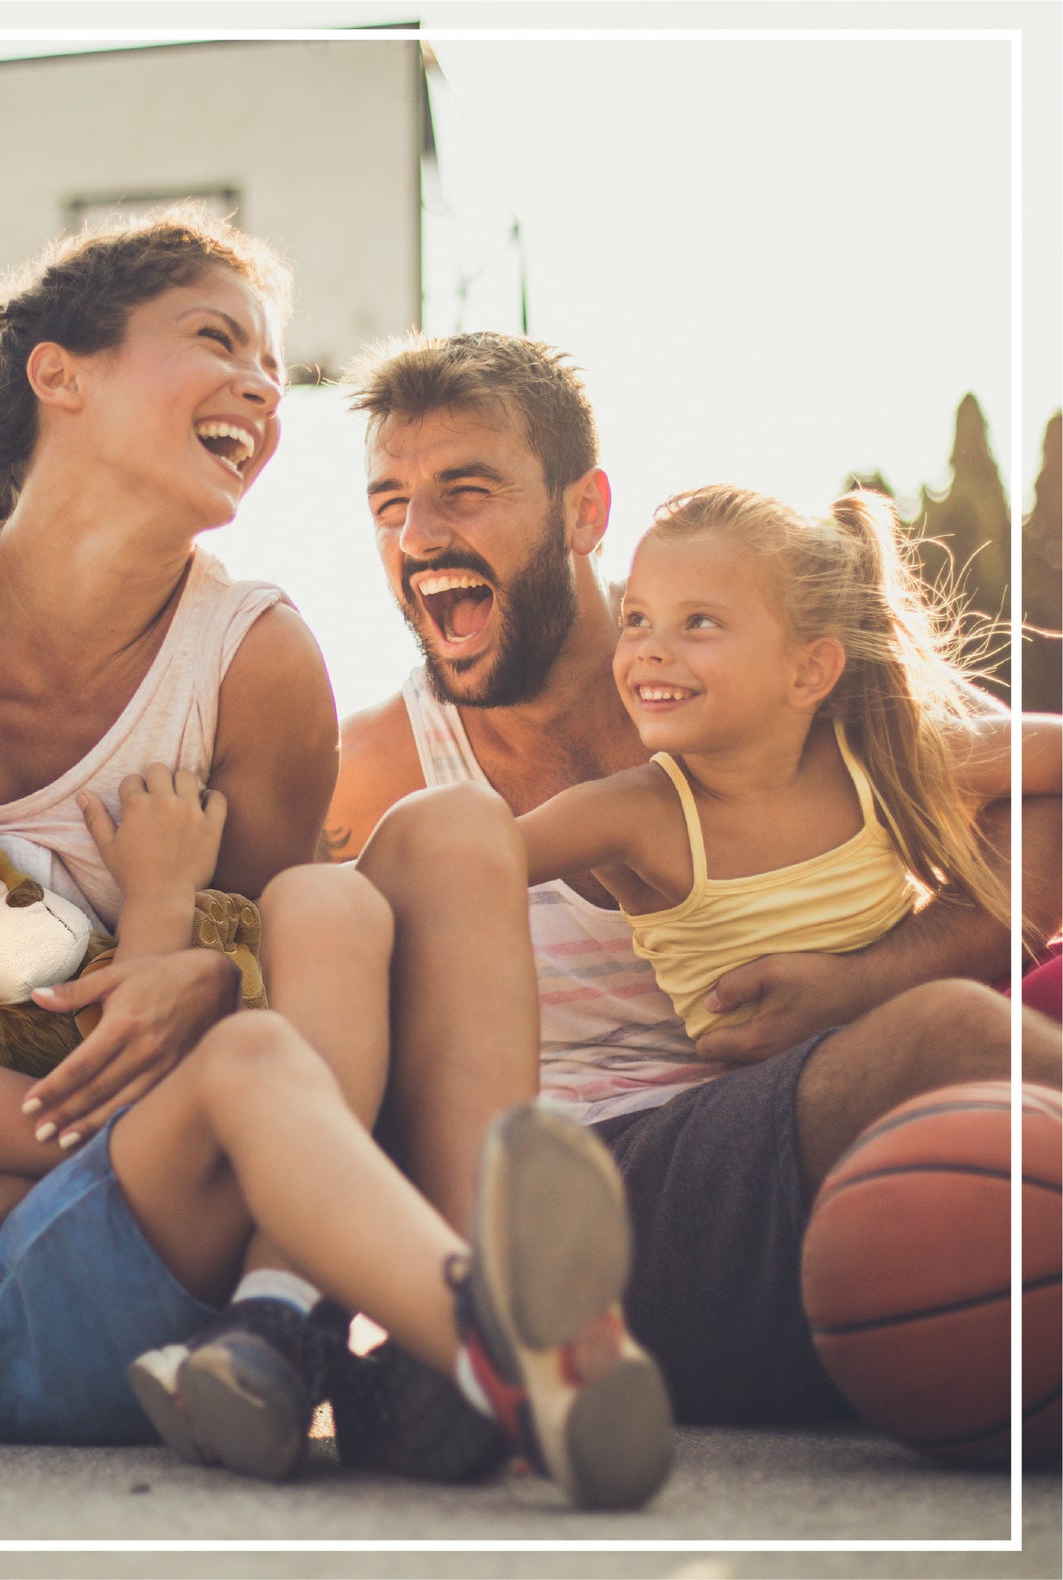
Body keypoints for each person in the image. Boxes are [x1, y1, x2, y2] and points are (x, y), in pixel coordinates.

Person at [0, 214, 546, 1480]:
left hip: (145, 1172)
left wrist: (195, 958)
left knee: (442, 834)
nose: (262, 384)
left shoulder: (255, 658)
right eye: (217, 339)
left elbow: (264, 983)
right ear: (57, 375)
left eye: (273, 365)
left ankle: (401, 1331)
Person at [0, 600, 673, 1507]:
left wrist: (184, 942)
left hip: (115, 1250)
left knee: (323, 902)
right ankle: (497, 1340)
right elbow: (75, 1112)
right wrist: (162, 905)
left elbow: (115, 1024)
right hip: (1, 1336)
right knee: (248, 1060)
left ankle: (296, 1320)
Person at [326, 330, 1063, 1428]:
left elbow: (1027, 781)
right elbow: (287, 964)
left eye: (463, 491)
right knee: (955, 1040)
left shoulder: (746, 673)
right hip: (587, 1200)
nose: (418, 534)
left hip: (805, 1138)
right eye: (389, 503)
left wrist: (858, 980)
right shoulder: (377, 766)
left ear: (584, 511)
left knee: (973, 1082)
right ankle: (504, 1342)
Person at [518, 483, 1063, 1042]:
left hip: (950, 1019)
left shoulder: (873, 761)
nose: (650, 649)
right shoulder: (627, 813)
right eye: (635, 618)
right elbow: (469, 862)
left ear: (808, 671)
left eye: (700, 621)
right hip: (805, 1084)